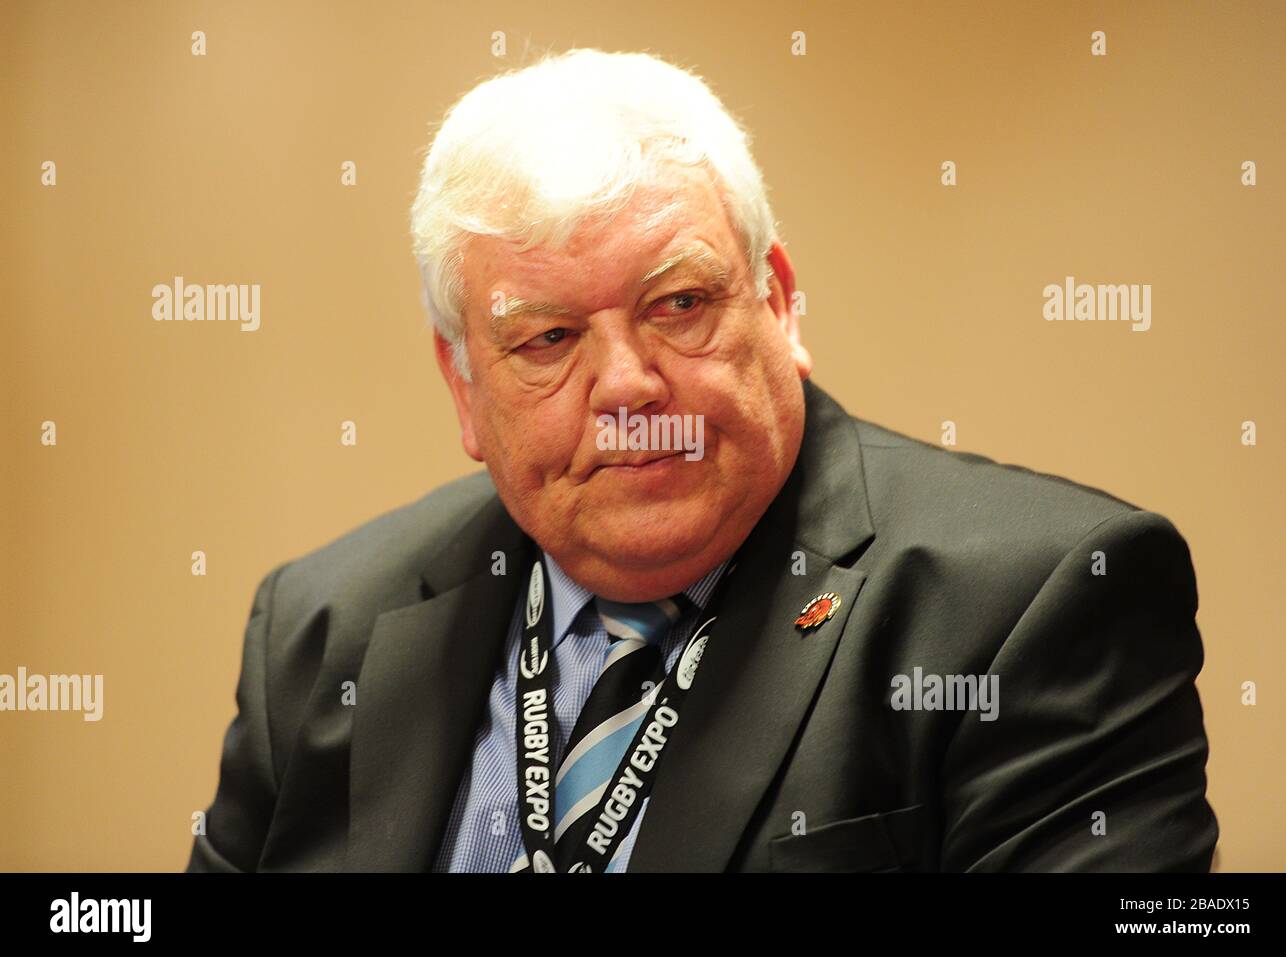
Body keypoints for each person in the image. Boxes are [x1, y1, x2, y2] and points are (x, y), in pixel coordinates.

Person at [187, 48, 1217, 873]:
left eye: (678, 305)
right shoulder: (324, 629)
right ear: (464, 385)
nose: (627, 385)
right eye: (546, 339)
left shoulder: (1033, 602)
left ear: (776, 298)